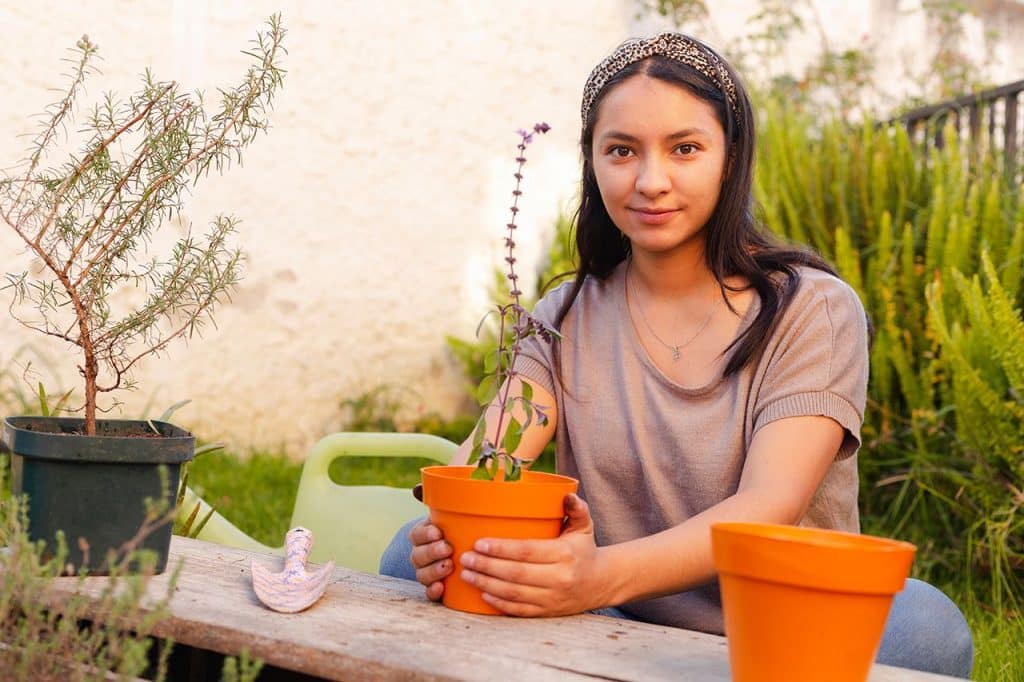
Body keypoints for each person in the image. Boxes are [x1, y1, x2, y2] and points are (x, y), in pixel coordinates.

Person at [380, 32, 973, 678]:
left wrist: (598, 576)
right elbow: (488, 464)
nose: (650, 181)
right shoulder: (564, 319)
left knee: (929, 631)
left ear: (731, 156)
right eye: (621, 150)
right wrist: (446, 533)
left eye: (684, 149)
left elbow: (767, 506)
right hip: (617, 615)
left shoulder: (813, 311)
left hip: (776, 623)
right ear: (593, 161)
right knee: (397, 556)